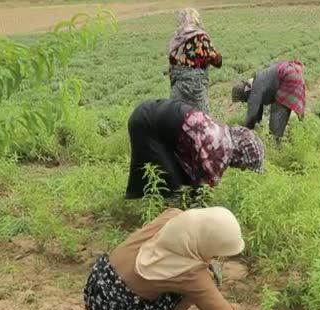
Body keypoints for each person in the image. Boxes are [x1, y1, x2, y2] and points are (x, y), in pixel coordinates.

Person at [83, 206, 283, 310]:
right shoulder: (191, 275)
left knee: (201, 274)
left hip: (98, 286)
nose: (217, 257)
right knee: (207, 279)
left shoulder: (173, 215)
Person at [125, 99, 264, 200]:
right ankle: (156, 222)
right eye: (246, 165)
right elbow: (203, 190)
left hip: (153, 116)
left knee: (178, 178)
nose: (243, 169)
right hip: (146, 123)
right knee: (170, 186)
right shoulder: (217, 152)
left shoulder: (222, 136)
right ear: (240, 155)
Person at [231, 60, 306, 142]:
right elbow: (258, 112)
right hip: (293, 73)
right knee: (283, 109)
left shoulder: (254, 90)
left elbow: (252, 114)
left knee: (277, 115)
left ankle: (275, 145)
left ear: (243, 94)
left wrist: (245, 132)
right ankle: (297, 132)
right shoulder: (258, 82)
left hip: (288, 76)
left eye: (242, 100)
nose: (244, 102)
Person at [168, 8, 222, 113]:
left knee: (177, 121)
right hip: (197, 89)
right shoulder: (201, 37)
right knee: (201, 123)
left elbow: (171, 65)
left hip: (178, 88)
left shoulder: (176, 39)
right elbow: (217, 62)